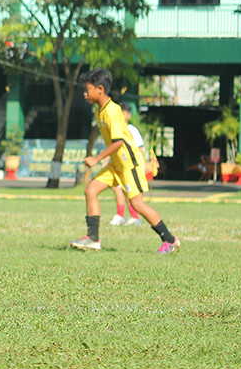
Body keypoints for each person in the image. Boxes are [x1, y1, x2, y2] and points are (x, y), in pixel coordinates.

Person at [71, 68, 180, 254]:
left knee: (136, 204)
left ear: (100, 89)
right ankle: (93, 239)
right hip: (116, 163)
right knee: (91, 190)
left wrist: (97, 158)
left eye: (87, 89)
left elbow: (119, 142)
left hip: (129, 163)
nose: (84, 93)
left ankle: (170, 240)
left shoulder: (112, 111)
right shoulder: (100, 111)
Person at [109, 106, 154, 227]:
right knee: (117, 189)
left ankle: (135, 217)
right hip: (118, 165)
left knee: (130, 192)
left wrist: (143, 165)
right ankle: (120, 215)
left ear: (128, 115)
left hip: (130, 166)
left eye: (123, 114)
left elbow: (139, 149)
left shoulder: (132, 130)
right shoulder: (116, 129)